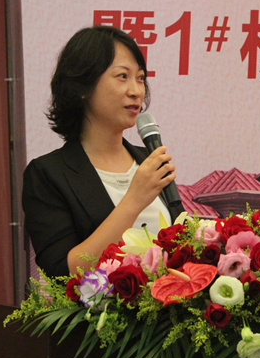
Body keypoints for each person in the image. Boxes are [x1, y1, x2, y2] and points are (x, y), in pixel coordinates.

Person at [22, 26, 182, 278]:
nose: (136, 91)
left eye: (140, 78)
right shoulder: (48, 175)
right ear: (82, 86)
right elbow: (62, 273)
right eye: (122, 76)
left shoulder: (148, 160)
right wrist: (134, 200)